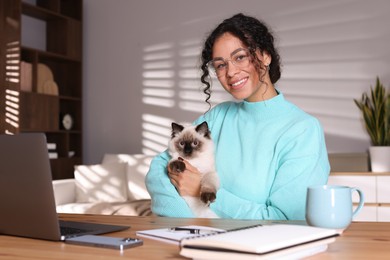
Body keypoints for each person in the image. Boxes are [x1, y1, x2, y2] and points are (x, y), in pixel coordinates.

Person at [145, 13, 330, 220]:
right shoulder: (217, 117)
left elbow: (284, 219)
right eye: (221, 64)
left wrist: (201, 191)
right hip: (195, 241)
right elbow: (158, 170)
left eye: (240, 57)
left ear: (265, 55)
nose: (231, 72)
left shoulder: (302, 130)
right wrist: (186, 226)